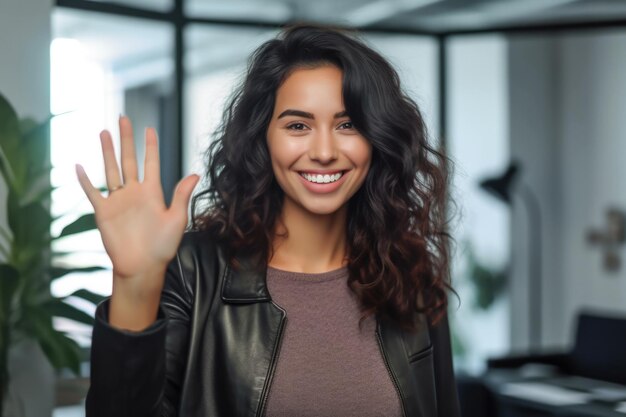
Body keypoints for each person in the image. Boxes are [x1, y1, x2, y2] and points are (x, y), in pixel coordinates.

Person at [75, 23, 460, 417]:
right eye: (298, 125)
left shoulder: (411, 277)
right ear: (263, 137)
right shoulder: (194, 271)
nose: (324, 151)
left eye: (348, 125)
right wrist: (134, 283)